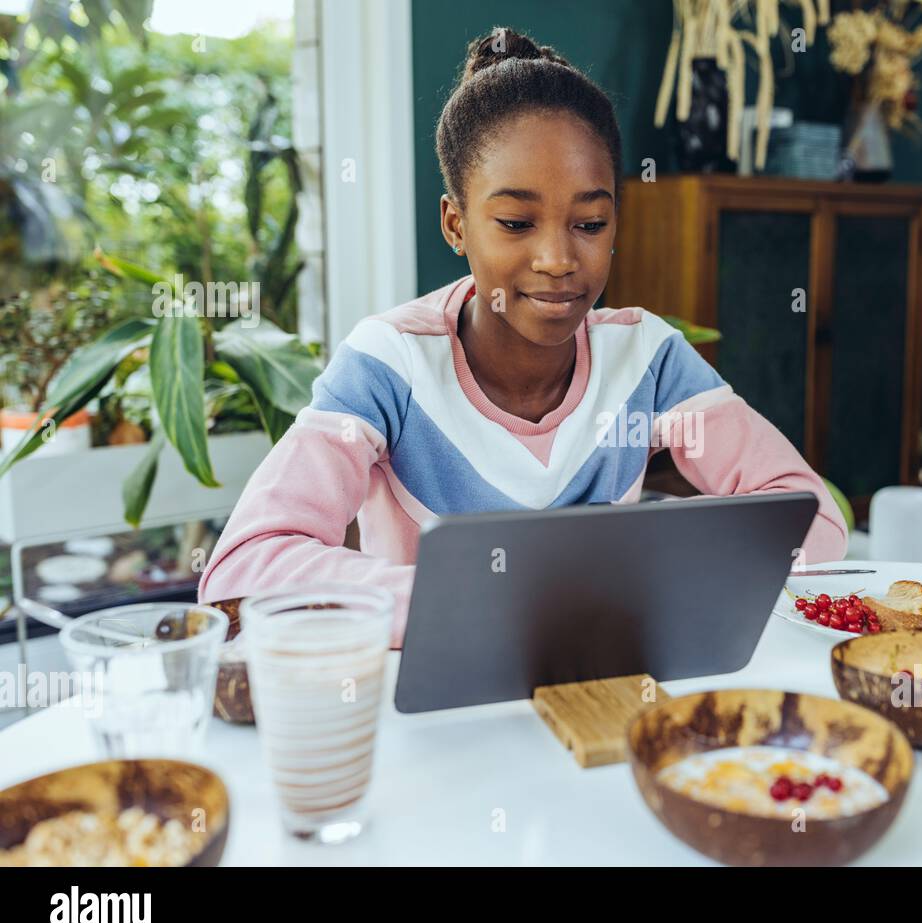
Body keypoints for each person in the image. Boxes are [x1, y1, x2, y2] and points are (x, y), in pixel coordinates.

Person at [198, 27, 848, 644]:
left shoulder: (648, 360)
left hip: (600, 690)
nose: (558, 259)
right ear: (456, 224)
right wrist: (479, 599)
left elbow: (811, 518)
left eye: (590, 224)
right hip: (432, 720)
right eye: (515, 222)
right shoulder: (389, 364)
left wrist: (656, 573)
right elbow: (242, 569)